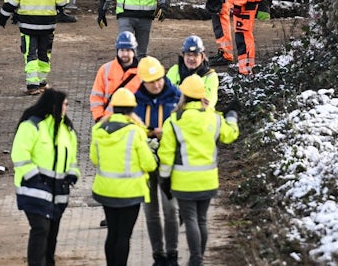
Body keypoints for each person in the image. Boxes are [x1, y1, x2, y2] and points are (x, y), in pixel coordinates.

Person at [157, 75, 240, 266]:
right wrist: (232, 116)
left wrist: (164, 178)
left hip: (183, 181)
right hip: (208, 180)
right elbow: (230, 135)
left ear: (183, 96)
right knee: (201, 220)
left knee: (191, 219)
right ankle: (198, 259)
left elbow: (166, 154)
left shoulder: (174, 121)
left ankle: (195, 259)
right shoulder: (214, 118)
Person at [11, 88, 80, 266]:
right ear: (54, 105)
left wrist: (72, 174)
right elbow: (19, 153)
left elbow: (72, 157)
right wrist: (34, 178)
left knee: (52, 231)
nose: (67, 107)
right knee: (41, 229)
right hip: (34, 189)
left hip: (58, 191)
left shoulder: (67, 129)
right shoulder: (32, 125)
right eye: (65, 104)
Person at [90, 88, 158, 266]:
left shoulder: (98, 129)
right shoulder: (135, 132)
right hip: (130, 193)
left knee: (112, 233)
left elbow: (94, 158)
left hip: (105, 190)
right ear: (132, 109)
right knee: (124, 236)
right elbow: (149, 164)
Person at [134, 56, 182, 266]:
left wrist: (168, 132)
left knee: (171, 209)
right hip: (144, 161)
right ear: (143, 81)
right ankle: (158, 256)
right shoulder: (134, 101)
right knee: (150, 211)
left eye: (160, 79)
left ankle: (172, 254)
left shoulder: (176, 98)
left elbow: (187, 126)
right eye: (152, 81)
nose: (157, 84)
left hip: (168, 162)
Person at [0, 0, 70, 95]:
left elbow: (10, 3)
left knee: (30, 54)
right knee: (45, 53)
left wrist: (3, 18)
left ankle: (32, 85)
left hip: (27, 26)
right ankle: (42, 82)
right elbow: (63, 2)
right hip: (48, 25)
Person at [89, 31, 142, 121]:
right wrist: (99, 118)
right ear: (117, 50)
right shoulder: (105, 69)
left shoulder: (142, 72)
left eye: (128, 50)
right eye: (122, 50)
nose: (125, 54)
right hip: (108, 121)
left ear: (134, 51)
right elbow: (96, 97)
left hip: (133, 123)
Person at [165, 35, 219, 108]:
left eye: (195, 55)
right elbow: (166, 95)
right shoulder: (175, 70)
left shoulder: (210, 76)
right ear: (183, 56)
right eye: (188, 55)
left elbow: (209, 103)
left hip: (201, 116)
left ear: (202, 57)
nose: (191, 58)